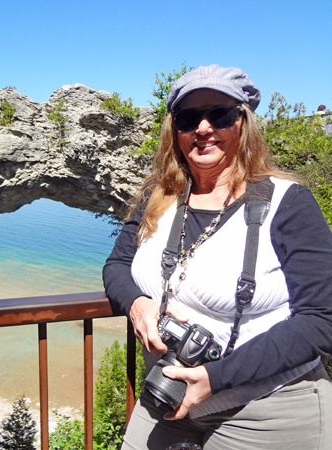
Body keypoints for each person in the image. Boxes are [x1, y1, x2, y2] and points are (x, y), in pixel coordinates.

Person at [103, 64, 332, 450]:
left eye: (220, 114)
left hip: (268, 412)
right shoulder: (159, 198)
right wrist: (139, 306)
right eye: (189, 118)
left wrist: (215, 378)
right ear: (174, 131)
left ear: (243, 124)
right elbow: (116, 267)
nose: (203, 128)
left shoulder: (287, 203)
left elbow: (322, 318)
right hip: (167, 394)